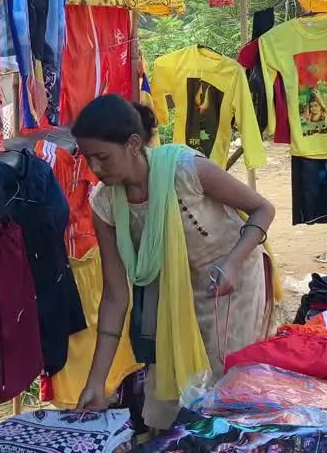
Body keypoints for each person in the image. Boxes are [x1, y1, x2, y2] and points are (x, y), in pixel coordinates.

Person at [72, 94, 274, 430]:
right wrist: (96, 382)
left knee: (230, 389)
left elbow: (263, 209)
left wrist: (234, 263)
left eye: (102, 157)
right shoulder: (105, 205)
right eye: (88, 158)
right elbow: (115, 295)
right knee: (174, 397)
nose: (94, 168)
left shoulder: (186, 170)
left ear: (133, 144)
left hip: (231, 286)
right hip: (171, 297)